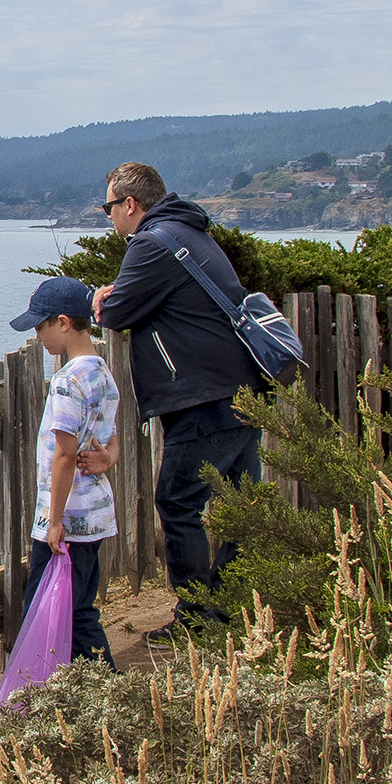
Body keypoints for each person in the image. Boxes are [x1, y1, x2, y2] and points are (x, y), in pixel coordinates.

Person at [91, 161, 264, 641]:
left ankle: (198, 618)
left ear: (130, 204)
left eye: (109, 207)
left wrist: (101, 297)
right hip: (241, 390)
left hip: (203, 398)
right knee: (238, 505)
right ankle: (228, 609)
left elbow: (119, 310)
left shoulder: (150, 242)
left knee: (178, 501)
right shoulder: (191, 232)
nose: (108, 217)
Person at [8, 277, 121, 669]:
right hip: (95, 514)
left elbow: (65, 455)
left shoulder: (67, 380)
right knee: (79, 607)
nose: (38, 336)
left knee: (49, 608)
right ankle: (92, 691)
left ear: (63, 323)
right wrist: (108, 460)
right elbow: (113, 441)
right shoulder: (102, 373)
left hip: (67, 519)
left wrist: (53, 523)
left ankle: (98, 688)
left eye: (40, 327)